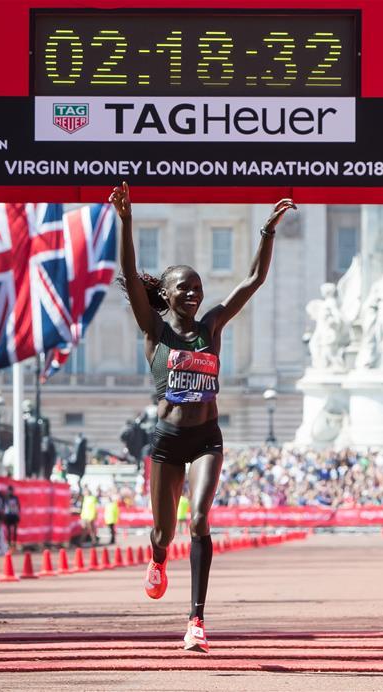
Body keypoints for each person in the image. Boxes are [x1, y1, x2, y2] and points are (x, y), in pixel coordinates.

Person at [111, 181, 296, 653]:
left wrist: (267, 231)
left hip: (208, 437)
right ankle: (156, 559)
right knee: (164, 531)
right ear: (167, 296)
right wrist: (127, 219)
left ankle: (196, 620)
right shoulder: (153, 330)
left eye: (197, 288)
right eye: (184, 289)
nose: (194, 294)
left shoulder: (212, 325)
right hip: (168, 440)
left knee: (198, 521)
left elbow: (252, 282)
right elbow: (131, 276)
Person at [3, 485, 21, 549]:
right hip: (8, 515)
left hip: (14, 515)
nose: (10, 492)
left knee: (15, 530)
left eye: (11, 490)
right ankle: (9, 543)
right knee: (8, 530)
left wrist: (18, 515)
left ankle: (14, 543)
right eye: (9, 490)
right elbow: (3, 507)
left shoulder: (15, 498)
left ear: (12, 491)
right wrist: (4, 516)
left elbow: (18, 507)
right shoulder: (5, 498)